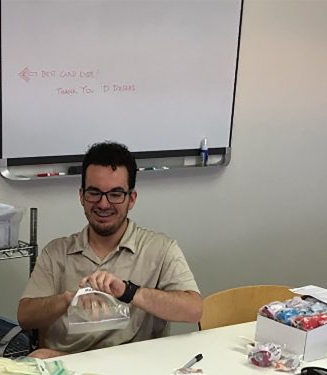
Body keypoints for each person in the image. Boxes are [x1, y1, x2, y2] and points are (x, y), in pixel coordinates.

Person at [17, 141, 202, 357]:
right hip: (68, 365)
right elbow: (25, 317)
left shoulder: (160, 249)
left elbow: (193, 310)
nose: (103, 204)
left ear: (131, 199)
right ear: (81, 196)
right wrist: (68, 299)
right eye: (94, 193)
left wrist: (128, 291)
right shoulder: (56, 252)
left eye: (115, 194)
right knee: (37, 357)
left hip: (134, 364)